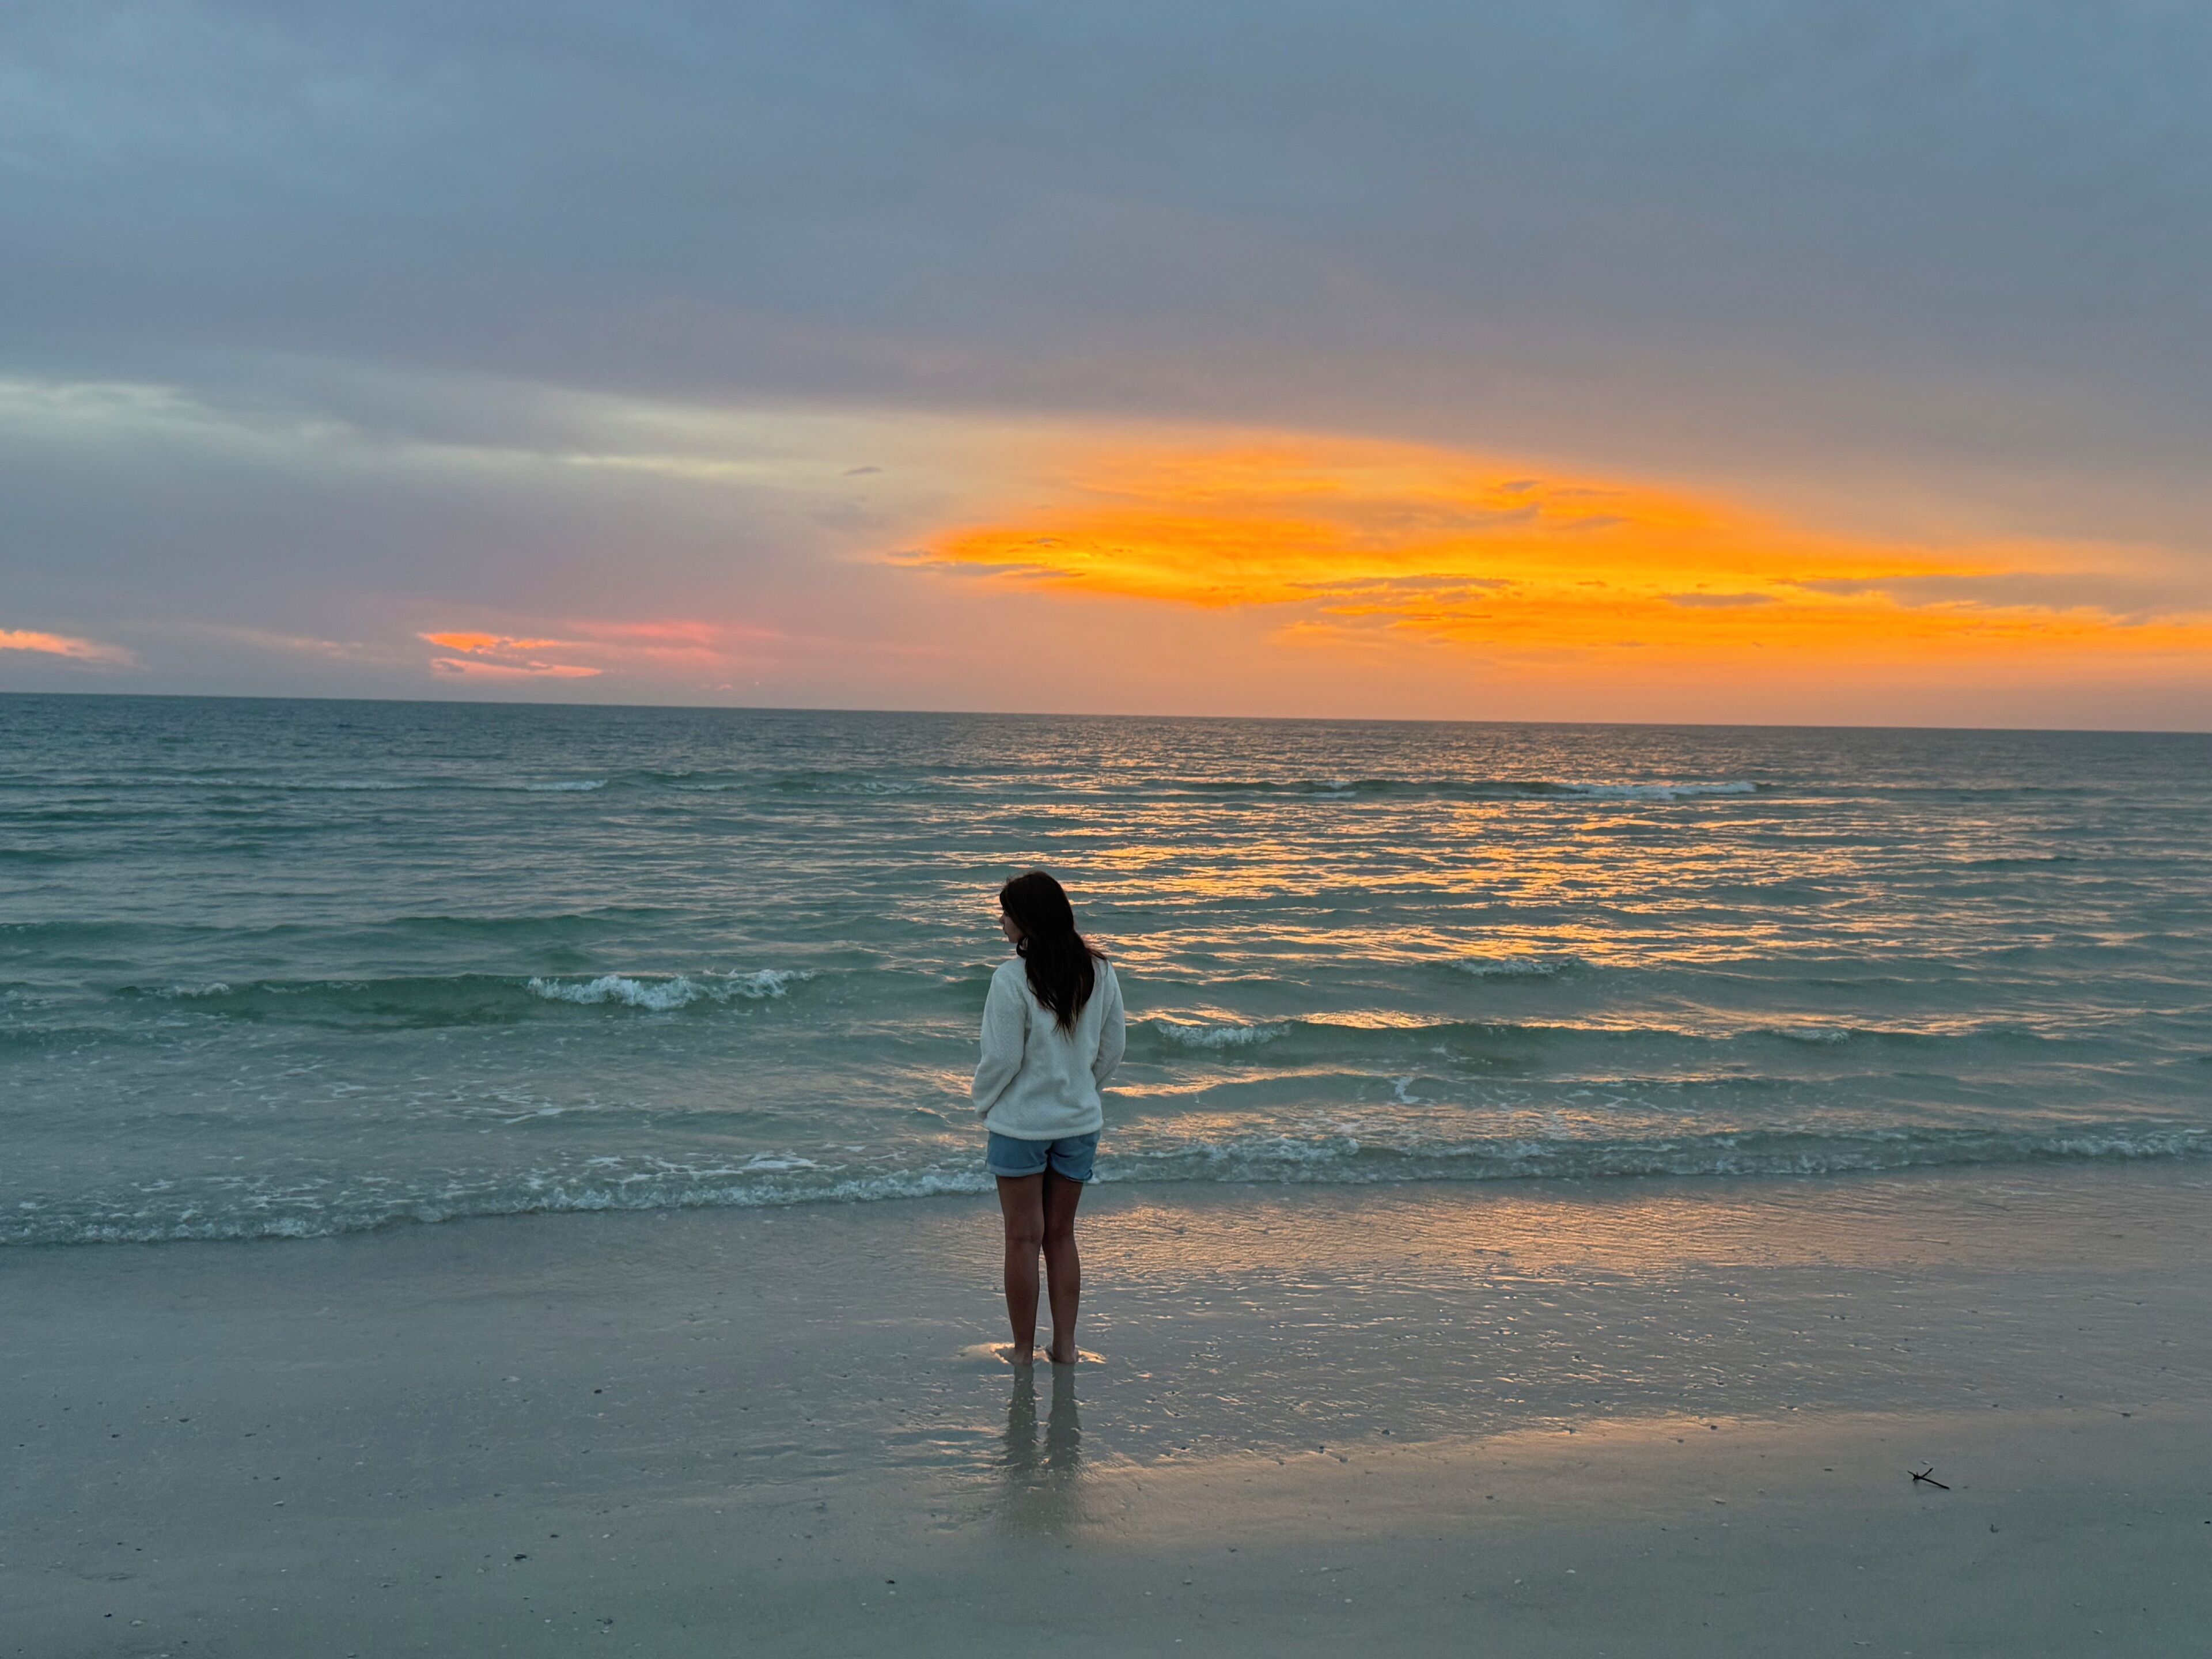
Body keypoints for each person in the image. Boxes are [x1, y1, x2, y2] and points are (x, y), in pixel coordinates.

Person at [972, 870, 1125, 1366]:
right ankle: (1065, 1346)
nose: (1001, 921)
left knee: (1022, 1237)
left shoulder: (1009, 979)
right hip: (1079, 1123)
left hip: (1021, 1126)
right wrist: (1083, 1090)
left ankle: (1020, 1351)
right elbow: (1112, 1049)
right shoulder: (1099, 972)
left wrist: (984, 1104)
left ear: (1028, 921)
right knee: (1061, 1235)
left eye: (1007, 912)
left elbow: (1001, 1060)